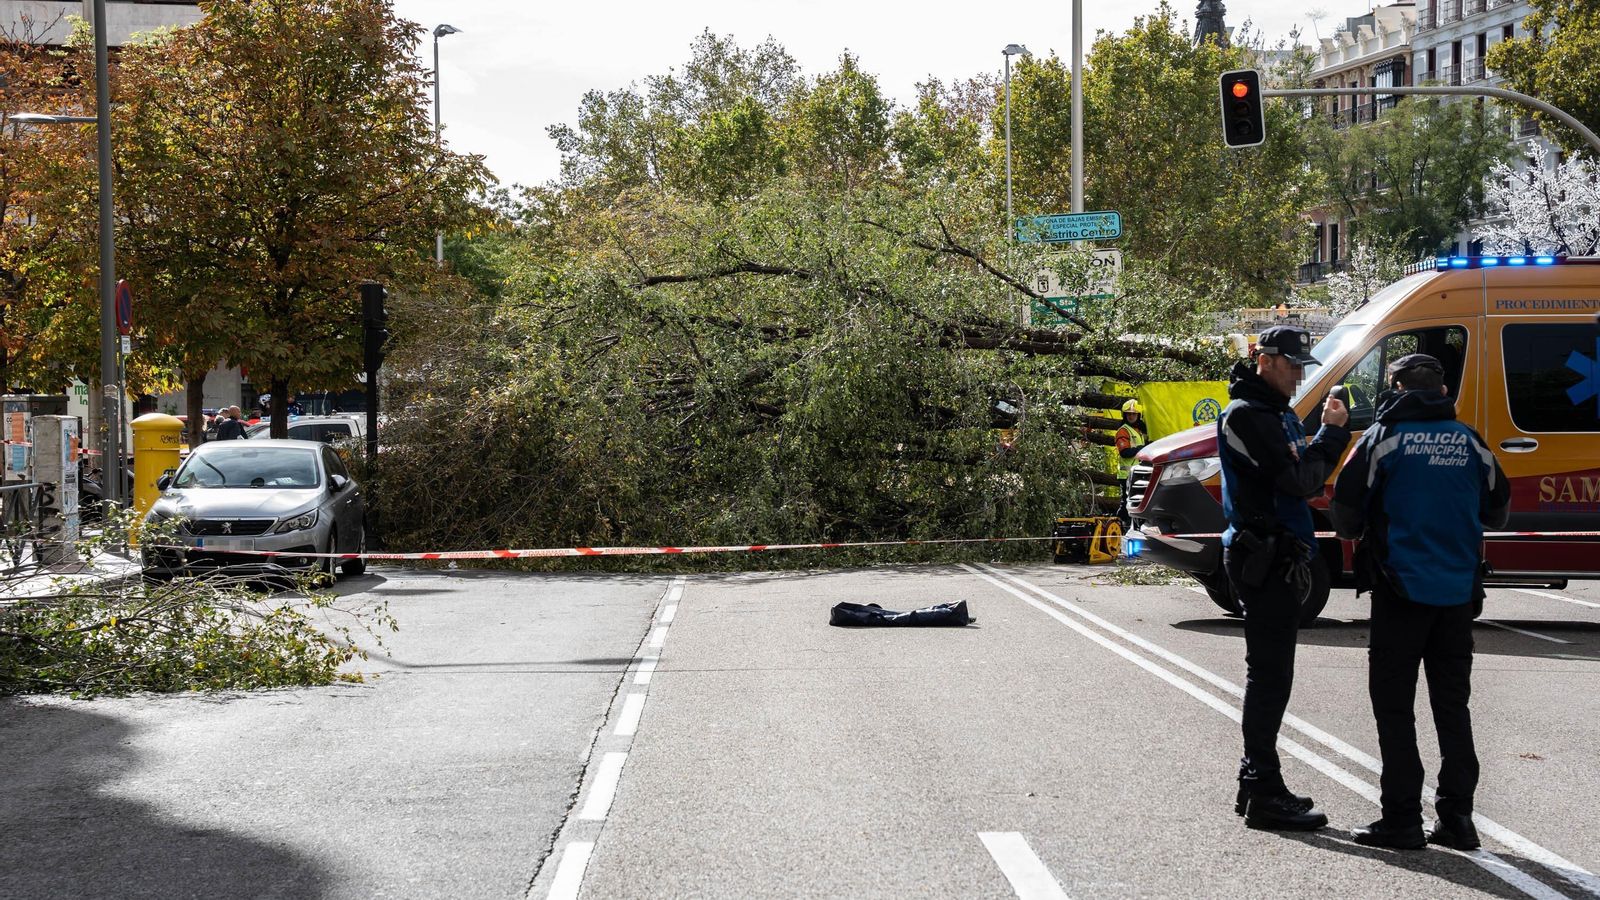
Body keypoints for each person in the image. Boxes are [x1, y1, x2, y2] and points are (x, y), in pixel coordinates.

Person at [1331, 354, 1509, 850]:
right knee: (1453, 708)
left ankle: (1402, 819)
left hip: (1400, 591)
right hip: (1458, 596)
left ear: (1396, 388)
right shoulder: (1472, 441)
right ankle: (1458, 819)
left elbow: (1344, 513)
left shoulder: (1381, 440)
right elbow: (1498, 512)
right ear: (1444, 390)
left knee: (1394, 709)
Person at [1218, 325, 1350, 831]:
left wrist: (1319, 440)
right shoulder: (1249, 415)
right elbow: (1297, 480)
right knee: (1270, 678)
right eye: (1292, 365)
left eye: (1302, 366)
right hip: (1264, 557)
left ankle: (1256, 783)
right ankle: (1264, 788)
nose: (1298, 375)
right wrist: (1333, 436)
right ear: (1264, 360)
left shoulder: (1276, 413)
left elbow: (1300, 475)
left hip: (1280, 555)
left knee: (1273, 676)